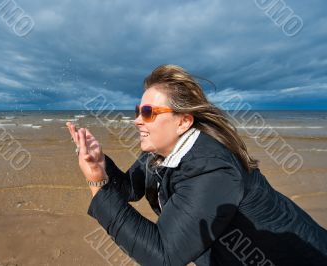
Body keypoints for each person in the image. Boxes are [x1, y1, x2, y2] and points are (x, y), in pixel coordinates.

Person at [66, 65, 327, 266]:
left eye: (148, 112)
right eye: (137, 111)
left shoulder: (211, 169)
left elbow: (164, 255)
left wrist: (97, 187)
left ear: (183, 122)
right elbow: (128, 189)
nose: (136, 120)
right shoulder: (159, 154)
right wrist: (100, 166)